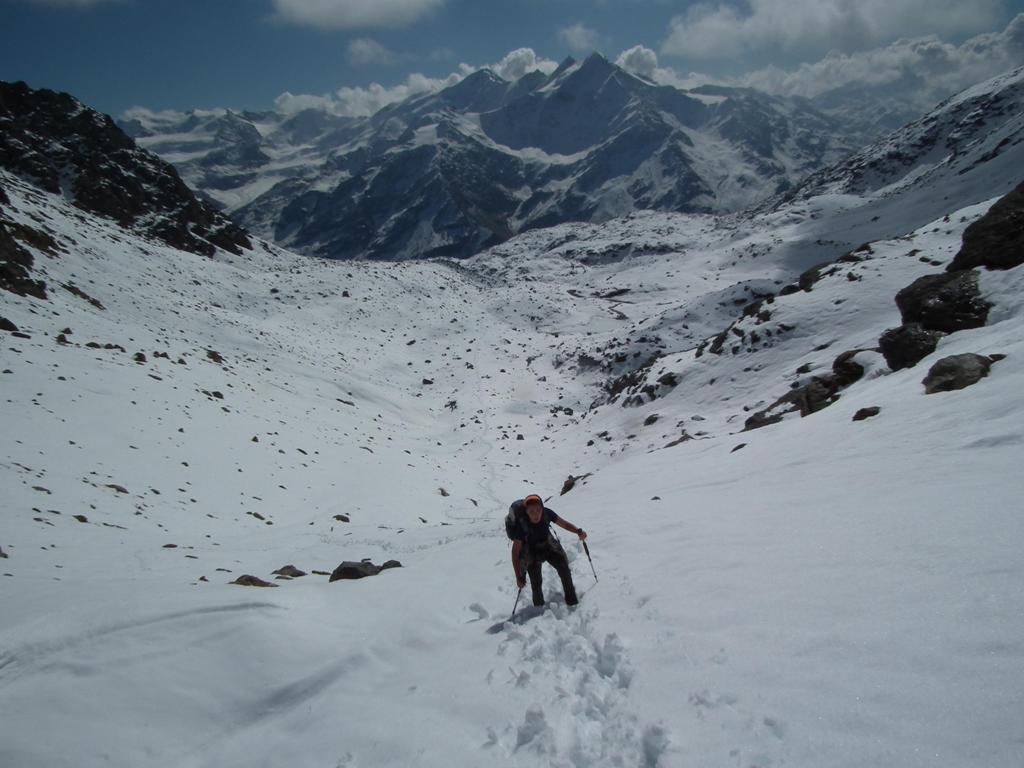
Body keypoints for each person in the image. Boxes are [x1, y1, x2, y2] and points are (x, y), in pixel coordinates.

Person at [505, 493, 587, 607]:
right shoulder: (522, 525)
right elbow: (515, 552)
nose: (536, 514)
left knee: (564, 569)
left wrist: (578, 531)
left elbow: (564, 524)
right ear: (526, 512)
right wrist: (518, 576)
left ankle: (572, 601)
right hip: (531, 551)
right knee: (536, 582)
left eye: (538, 510)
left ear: (542, 508)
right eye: (531, 512)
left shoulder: (547, 513)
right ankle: (539, 608)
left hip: (548, 545)